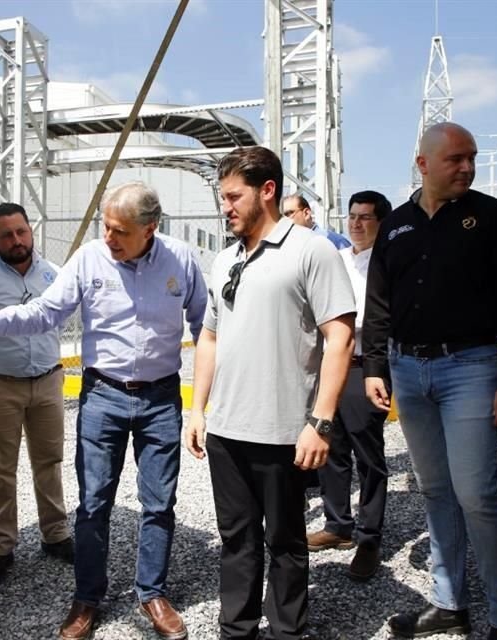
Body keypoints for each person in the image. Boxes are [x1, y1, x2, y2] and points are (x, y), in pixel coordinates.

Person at [0, 182, 206, 640]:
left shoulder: (181, 260)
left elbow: (205, 327)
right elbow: (46, 311)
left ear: (149, 229)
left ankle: (152, 593)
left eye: (119, 231)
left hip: (160, 399)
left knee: (159, 502)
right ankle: (87, 597)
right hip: (103, 397)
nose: (108, 237)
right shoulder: (90, 259)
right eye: (105, 227)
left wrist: (208, 400)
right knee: (93, 504)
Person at [363, 122, 497, 640]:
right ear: (423, 164)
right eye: (456, 159)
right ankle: (449, 603)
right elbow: (378, 304)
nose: (467, 167)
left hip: (472, 369)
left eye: (472, 158)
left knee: (477, 494)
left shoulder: (492, 218)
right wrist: (375, 367)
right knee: (436, 490)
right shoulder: (396, 226)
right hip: (407, 370)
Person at [185, 146, 356, 640]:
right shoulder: (224, 260)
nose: (225, 207)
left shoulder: (311, 251)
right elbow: (210, 337)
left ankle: (286, 631)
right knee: (236, 541)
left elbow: (340, 337)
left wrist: (320, 422)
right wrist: (197, 410)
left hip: (284, 432)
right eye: (222, 197)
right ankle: (236, 630)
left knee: (285, 543)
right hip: (226, 432)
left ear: (267, 190)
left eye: (233, 197)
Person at [0, 203, 73, 588]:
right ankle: (1, 545)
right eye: (7, 235)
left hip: (48, 381)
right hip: (0, 385)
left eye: (21, 232)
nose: (16, 241)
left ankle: (55, 533)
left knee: (49, 461)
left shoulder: (53, 274)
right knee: (1, 468)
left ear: (31, 231)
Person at [305, 190, 391, 582]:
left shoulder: (387, 264)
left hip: (364, 366)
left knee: (368, 455)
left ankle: (369, 537)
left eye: (365, 217)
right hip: (328, 364)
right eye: (353, 216)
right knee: (331, 446)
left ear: (381, 223)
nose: (356, 223)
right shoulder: (336, 259)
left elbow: (378, 319)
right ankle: (338, 524)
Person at [282, 193, 352, 249]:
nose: (283, 219)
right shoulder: (285, 246)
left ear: (306, 213)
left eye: (288, 214)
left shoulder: (335, 243)